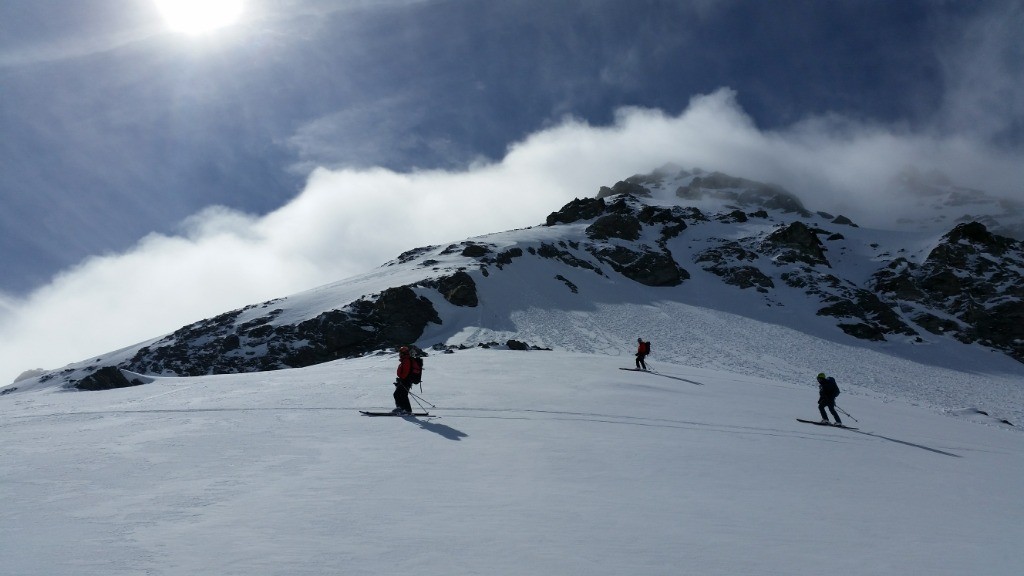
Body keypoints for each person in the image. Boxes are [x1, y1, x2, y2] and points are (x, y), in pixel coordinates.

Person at [392, 346, 414, 414]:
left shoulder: (406, 360)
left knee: (401, 395)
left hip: (405, 381)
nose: (399, 354)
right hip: (404, 380)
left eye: (400, 352)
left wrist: (401, 379)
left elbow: (405, 372)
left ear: (403, 353)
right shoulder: (405, 360)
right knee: (398, 394)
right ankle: (402, 408)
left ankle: (406, 410)